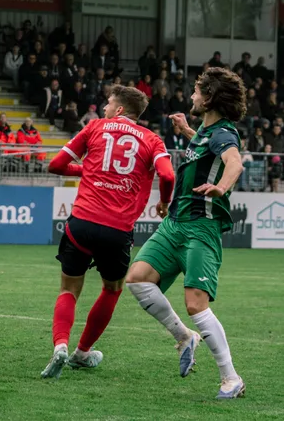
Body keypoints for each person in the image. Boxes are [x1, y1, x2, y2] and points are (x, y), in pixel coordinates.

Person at [126, 67, 247, 400]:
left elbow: (234, 163)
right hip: (174, 223)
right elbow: (206, 152)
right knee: (137, 278)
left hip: (200, 230)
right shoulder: (207, 131)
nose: (191, 96)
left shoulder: (224, 132)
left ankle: (231, 378)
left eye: (196, 91)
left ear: (208, 98)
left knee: (196, 304)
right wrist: (186, 129)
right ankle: (184, 337)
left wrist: (221, 187)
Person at [41, 85, 174, 379]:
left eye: (108, 103)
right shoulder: (153, 140)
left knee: (68, 289)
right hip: (117, 231)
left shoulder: (95, 128)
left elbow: (56, 165)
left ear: (120, 109)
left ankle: (60, 346)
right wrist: (164, 201)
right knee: (112, 289)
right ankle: (82, 352)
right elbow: (167, 174)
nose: (103, 108)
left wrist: (85, 170)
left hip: (81, 223)